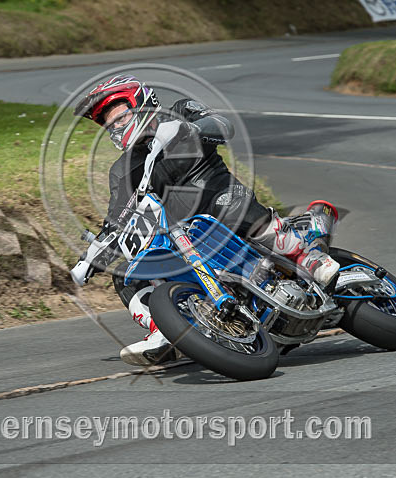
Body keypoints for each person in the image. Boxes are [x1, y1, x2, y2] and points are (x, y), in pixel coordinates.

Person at [74, 74, 340, 366]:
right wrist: (90, 258)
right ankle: (164, 331)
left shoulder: (180, 111)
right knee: (126, 274)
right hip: (181, 232)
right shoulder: (121, 170)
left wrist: (188, 129)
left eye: (120, 117)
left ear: (140, 102)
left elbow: (223, 126)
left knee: (230, 207)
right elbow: (118, 218)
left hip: (218, 196)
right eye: (109, 123)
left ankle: (307, 256)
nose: (115, 127)